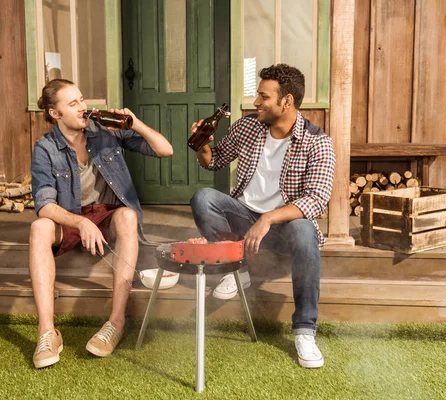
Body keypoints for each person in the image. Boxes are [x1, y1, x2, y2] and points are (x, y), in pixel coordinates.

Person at [189, 64, 335, 368]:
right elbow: (214, 161)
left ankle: (305, 330)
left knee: (306, 231)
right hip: (243, 215)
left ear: (287, 102)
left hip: (283, 227)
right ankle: (236, 271)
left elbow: (317, 200)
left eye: (263, 97)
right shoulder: (247, 127)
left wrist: (267, 219)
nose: (256, 102)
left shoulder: (317, 141)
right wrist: (202, 145)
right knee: (203, 198)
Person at [29, 79, 173, 368]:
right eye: (73, 104)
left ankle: (116, 322)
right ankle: (47, 332)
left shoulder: (105, 130)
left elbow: (164, 150)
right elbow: (44, 205)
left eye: (82, 99)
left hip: (108, 215)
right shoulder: (46, 147)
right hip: (71, 215)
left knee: (128, 215)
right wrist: (80, 223)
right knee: (39, 228)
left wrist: (135, 124)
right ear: (55, 114)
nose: (83, 107)